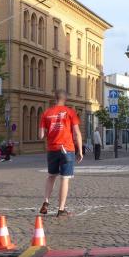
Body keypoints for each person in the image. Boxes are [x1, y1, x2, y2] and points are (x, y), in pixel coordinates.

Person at [39, 89, 83, 218]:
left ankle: (46, 202)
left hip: (52, 149)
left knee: (51, 176)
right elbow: (77, 133)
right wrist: (80, 150)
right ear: (65, 99)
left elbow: (40, 135)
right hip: (67, 149)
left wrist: (49, 131)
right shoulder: (70, 112)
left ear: (55, 98)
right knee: (64, 179)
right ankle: (61, 209)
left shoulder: (46, 113)